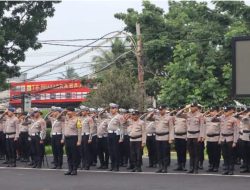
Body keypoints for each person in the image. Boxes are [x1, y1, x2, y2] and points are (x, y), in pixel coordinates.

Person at [177, 102, 205, 174]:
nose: (191, 108)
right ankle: (191, 168)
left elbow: (202, 127)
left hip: (196, 135)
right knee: (190, 153)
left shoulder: (200, 115)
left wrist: (201, 136)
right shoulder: (188, 114)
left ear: (196, 107)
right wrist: (185, 108)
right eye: (191, 107)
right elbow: (178, 114)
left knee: (196, 153)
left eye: (193, 107)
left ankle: (195, 168)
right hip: (189, 135)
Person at [147, 105, 174, 173]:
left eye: (162, 109)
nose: (160, 111)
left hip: (165, 137)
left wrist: (171, 138)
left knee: (164, 153)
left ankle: (165, 167)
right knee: (159, 153)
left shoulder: (169, 117)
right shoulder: (156, 116)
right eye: (160, 110)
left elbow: (171, 128)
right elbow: (148, 118)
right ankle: (160, 167)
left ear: (165, 110)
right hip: (158, 137)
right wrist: (152, 112)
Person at [107, 103, 128, 172]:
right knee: (111, 151)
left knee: (116, 151)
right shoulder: (109, 116)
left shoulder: (119, 116)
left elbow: (122, 127)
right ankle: (112, 165)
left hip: (116, 135)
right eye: (110, 108)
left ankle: (116, 166)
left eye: (113, 108)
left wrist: (121, 137)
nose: (111, 110)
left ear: (116, 109)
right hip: (109, 134)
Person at [219, 105, 239, 175]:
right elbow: (220, 129)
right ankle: (226, 168)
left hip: (230, 138)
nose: (225, 112)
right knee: (224, 154)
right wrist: (220, 139)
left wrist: (235, 141)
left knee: (231, 155)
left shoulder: (234, 119)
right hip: (223, 138)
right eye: (224, 111)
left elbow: (236, 131)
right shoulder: (222, 118)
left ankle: (231, 169)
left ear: (230, 111)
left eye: (226, 111)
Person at [62, 107, 82, 176]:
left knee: (74, 155)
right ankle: (69, 169)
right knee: (69, 155)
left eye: (69, 111)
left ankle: (74, 169)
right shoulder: (66, 119)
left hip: (74, 138)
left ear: (73, 112)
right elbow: (59, 117)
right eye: (67, 111)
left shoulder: (78, 119)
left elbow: (79, 131)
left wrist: (79, 141)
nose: (68, 113)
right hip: (67, 138)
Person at [205, 107, 221, 172]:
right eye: (211, 111)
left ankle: (216, 166)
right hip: (209, 139)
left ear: (217, 112)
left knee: (216, 153)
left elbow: (221, 130)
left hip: (216, 138)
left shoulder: (220, 119)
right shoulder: (207, 119)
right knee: (210, 153)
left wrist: (220, 139)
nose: (212, 113)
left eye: (214, 111)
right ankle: (211, 165)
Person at [79, 105, 95, 170]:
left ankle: (87, 165)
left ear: (86, 111)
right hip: (81, 135)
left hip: (87, 135)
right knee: (81, 151)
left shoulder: (89, 118)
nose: (82, 112)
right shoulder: (79, 118)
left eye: (84, 111)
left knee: (86, 151)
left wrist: (90, 138)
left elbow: (91, 128)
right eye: (82, 111)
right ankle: (83, 164)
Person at [174, 106, 187, 171]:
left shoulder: (186, 118)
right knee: (178, 151)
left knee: (183, 152)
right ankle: (179, 165)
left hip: (183, 136)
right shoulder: (175, 117)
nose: (179, 111)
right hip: (177, 136)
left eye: (180, 110)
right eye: (178, 110)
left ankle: (183, 165)